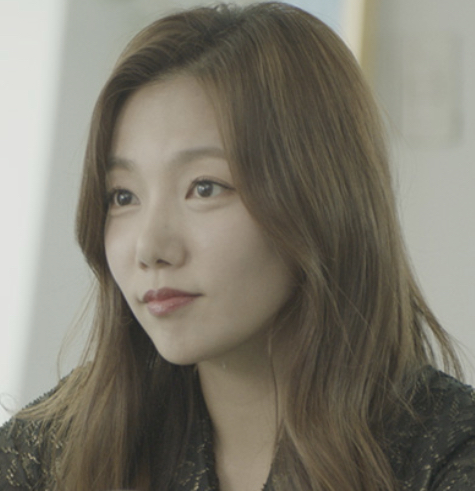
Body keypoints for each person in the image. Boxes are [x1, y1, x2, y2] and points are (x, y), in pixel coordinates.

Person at [1, 2, 475, 490]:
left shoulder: (450, 456)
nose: (150, 247)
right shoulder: (45, 455)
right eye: (123, 196)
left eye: (204, 188)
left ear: (319, 198)